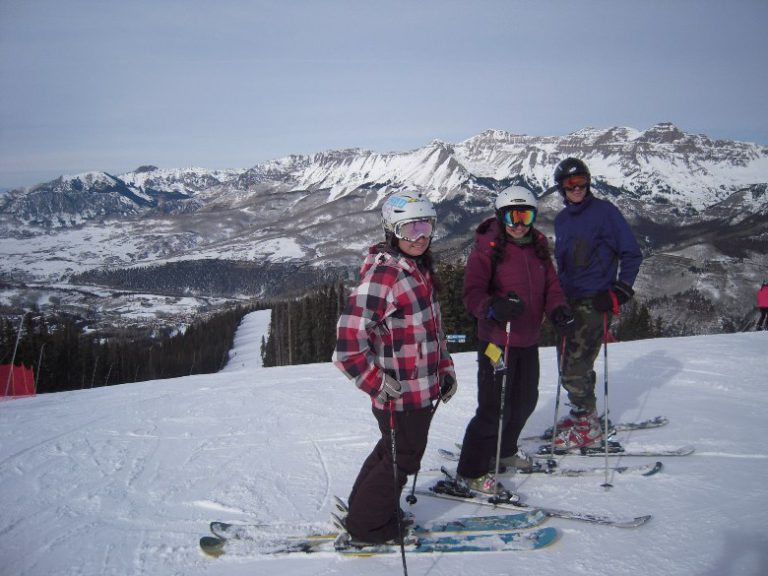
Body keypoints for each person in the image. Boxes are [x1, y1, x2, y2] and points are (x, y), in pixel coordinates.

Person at [332, 190, 458, 545]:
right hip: (400, 393)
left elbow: (432, 330)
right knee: (402, 458)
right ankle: (369, 527)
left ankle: (366, 509)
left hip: (421, 388)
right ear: (392, 230)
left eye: (426, 227)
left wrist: (444, 370)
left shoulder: (418, 271)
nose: (419, 237)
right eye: (410, 229)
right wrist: (375, 382)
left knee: (391, 451)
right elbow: (347, 343)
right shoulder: (386, 276)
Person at [456, 185, 573, 494]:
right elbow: (471, 294)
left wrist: (558, 308)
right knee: (494, 407)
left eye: (527, 215)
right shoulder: (487, 249)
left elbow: (552, 286)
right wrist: (492, 307)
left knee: (524, 402)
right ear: (501, 216)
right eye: (513, 216)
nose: (520, 223)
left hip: (528, 339)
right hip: (497, 341)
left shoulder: (537, 246)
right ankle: (471, 470)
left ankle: (504, 450)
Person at [552, 158, 643, 450]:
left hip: (595, 302)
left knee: (574, 368)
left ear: (589, 182)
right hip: (568, 302)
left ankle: (587, 426)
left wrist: (620, 290)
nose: (576, 188)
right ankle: (582, 412)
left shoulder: (605, 213)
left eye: (581, 182)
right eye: (569, 184)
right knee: (567, 362)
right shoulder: (562, 220)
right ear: (561, 189)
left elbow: (632, 253)